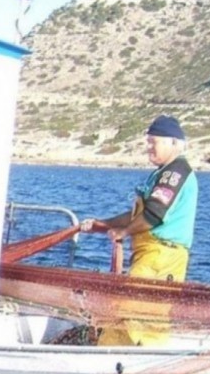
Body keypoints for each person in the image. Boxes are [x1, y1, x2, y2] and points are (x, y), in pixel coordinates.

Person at [81, 114, 199, 345]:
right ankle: (132, 351)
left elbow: (153, 215)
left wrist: (123, 233)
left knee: (129, 305)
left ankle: (114, 353)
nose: (149, 148)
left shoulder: (174, 173)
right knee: (145, 310)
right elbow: (137, 216)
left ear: (173, 143)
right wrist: (103, 224)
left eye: (153, 142)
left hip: (162, 255)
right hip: (151, 253)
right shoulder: (161, 173)